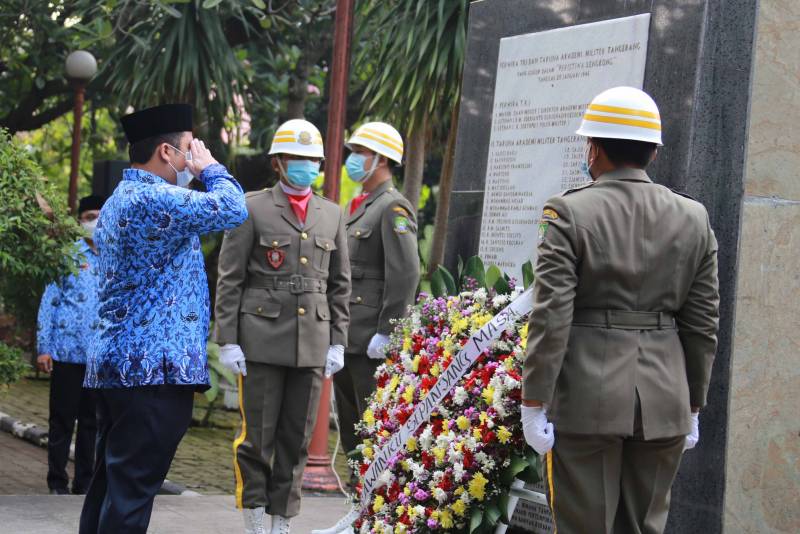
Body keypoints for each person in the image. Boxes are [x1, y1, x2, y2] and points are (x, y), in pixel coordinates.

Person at [521, 86, 720, 534]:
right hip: (666, 398)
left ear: (594, 149)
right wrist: (693, 403)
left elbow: (552, 315)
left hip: (588, 397)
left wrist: (534, 400)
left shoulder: (568, 212)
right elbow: (702, 324)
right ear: (652, 150)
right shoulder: (694, 217)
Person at [79, 104, 248, 534]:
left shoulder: (124, 197)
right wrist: (211, 169)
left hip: (123, 367)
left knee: (111, 487)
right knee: (131, 494)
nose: (194, 158)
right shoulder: (152, 198)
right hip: (152, 372)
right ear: (167, 152)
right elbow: (233, 208)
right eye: (190, 149)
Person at [214, 119, 351, 534]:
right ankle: (254, 516)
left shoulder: (332, 213)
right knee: (257, 438)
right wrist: (227, 340)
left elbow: (340, 284)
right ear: (278, 162)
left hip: (312, 344)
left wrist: (338, 342)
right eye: (297, 159)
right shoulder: (251, 207)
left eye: (312, 161)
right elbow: (230, 278)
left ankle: (282, 521)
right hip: (259, 341)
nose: (305, 167)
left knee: (297, 440)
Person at [334, 122, 419, 465]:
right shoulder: (362, 206)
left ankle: (368, 511)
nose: (352, 160)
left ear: (381, 159)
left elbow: (406, 272)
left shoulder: (392, 208)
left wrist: (388, 330)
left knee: (373, 431)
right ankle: (356, 507)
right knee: (352, 429)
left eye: (360, 153)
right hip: (349, 334)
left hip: (370, 338)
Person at [36, 194, 104, 495]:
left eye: (101, 215)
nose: (96, 222)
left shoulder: (115, 257)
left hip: (99, 358)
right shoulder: (67, 255)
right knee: (62, 420)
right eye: (90, 216)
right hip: (65, 353)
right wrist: (44, 347)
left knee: (92, 423)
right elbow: (49, 302)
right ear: (80, 221)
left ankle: (85, 483)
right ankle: (56, 481)